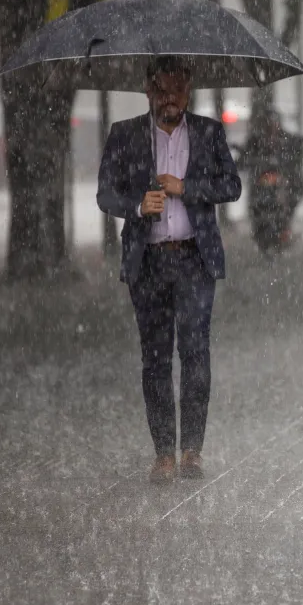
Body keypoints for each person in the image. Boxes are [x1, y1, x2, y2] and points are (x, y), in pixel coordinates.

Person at [97, 56, 242, 484]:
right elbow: (106, 193)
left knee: (195, 354)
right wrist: (137, 205)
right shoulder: (125, 135)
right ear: (147, 90)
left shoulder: (209, 132)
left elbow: (231, 186)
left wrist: (186, 188)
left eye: (177, 89)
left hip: (196, 259)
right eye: (161, 89)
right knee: (155, 358)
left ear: (189, 90)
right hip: (149, 262)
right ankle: (163, 452)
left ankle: (192, 451)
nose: (170, 98)